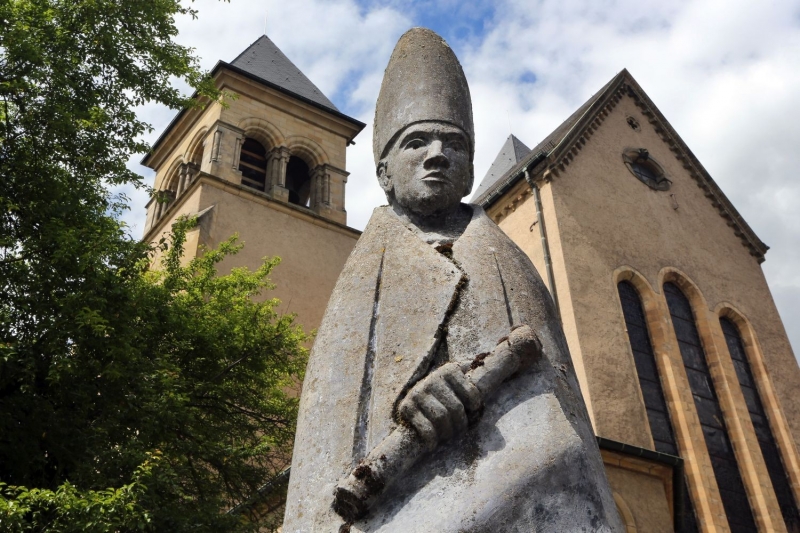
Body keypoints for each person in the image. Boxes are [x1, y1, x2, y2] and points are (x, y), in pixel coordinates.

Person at [283, 28, 623, 533]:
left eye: (454, 144)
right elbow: (333, 438)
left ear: (468, 170)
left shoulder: (510, 264)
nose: (438, 154)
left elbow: (559, 401)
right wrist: (407, 404)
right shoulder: (360, 281)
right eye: (416, 142)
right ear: (385, 172)